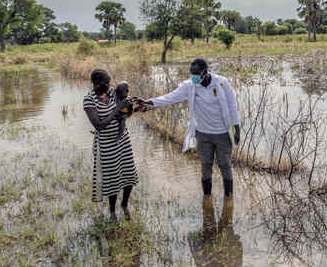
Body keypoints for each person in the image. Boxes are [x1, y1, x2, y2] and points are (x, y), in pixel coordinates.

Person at [143, 58, 240, 203]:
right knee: (205, 166)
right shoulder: (190, 86)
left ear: (205, 72)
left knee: (225, 165)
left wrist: (237, 128)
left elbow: (232, 105)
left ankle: (229, 199)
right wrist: (150, 103)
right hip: (203, 134)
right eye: (191, 73)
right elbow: (170, 97)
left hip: (222, 134)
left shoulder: (221, 83)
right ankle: (207, 199)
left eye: (196, 74)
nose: (193, 76)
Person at [83, 69, 138, 217]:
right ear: (96, 83)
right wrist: (117, 109)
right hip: (107, 145)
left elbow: (126, 112)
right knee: (112, 179)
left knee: (128, 173)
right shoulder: (89, 100)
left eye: (109, 82)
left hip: (123, 140)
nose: (109, 85)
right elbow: (99, 125)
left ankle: (125, 205)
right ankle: (112, 211)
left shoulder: (113, 93)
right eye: (105, 83)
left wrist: (129, 107)